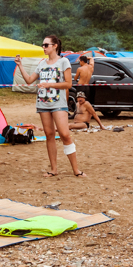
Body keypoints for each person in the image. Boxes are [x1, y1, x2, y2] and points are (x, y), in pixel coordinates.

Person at [16, 35, 85, 177]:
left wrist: (49, 84)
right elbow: (29, 81)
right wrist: (20, 65)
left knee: (65, 134)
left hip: (59, 103)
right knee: (49, 135)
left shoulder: (64, 61)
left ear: (55, 46)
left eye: (46, 45)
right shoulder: (42, 63)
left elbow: (68, 84)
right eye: (43, 45)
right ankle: (54, 169)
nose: (43, 47)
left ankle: (76, 170)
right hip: (43, 103)